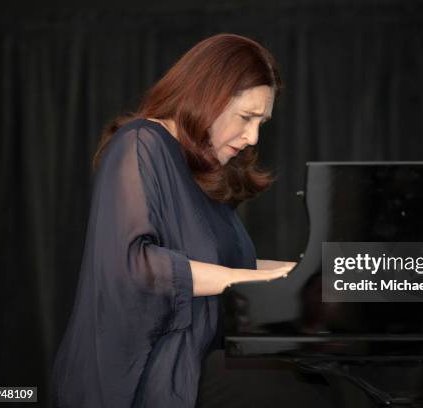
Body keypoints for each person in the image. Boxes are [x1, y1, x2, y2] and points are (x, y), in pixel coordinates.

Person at [51, 33, 295, 408]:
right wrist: (258, 280)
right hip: (141, 377)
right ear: (207, 95)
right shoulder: (140, 143)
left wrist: (304, 272)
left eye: (261, 122)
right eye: (247, 118)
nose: (252, 137)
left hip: (198, 364)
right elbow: (134, 265)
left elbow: (227, 267)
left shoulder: (204, 169)